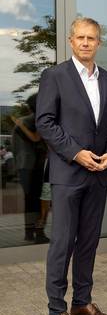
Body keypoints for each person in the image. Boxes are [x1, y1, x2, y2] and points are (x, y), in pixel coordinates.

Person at [36, 17, 107, 315]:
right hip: (68, 174)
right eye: (80, 37)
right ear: (71, 41)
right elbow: (45, 122)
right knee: (62, 243)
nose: (86, 42)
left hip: (98, 174)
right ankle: (56, 311)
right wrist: (76, 152)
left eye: (92, 38)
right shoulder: (55, 76)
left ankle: (81, 302)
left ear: (99, 43)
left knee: (88, 241)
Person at [11, 93, 49, 244]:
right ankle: (38, 232)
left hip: (24, 166)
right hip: (34, 166)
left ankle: (29, 232)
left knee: (31, 199)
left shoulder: (24, 121)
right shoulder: (34, 120)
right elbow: (37, 139)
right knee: (40, 200)